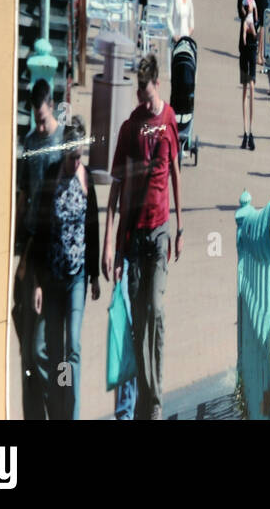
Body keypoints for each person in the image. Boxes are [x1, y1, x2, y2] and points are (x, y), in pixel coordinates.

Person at [103, 53, 183, 420]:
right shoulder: (129, 127)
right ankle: (142, 404)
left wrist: (180, 227)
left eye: (147, 93)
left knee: (156, 310)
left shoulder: (168, 121)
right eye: (139, 93)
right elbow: (116, 190)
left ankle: (154, 403)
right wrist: (111, 245)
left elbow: (176, 174)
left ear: (158, 86)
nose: (142, 99)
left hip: (160, 232)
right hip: (133, 238)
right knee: (137, 322)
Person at [26, 115, 99, 420]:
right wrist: (38, 283)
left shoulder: (86, 179)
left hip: (77, 278)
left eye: (79, 156)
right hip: (53, 278)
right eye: (71, 156)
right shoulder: (53, 177)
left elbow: (93, 227)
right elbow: (41, 233)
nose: (75, 162)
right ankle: (57, 404)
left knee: (74, 347)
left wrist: (95, 275)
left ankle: (72, 413)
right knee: (46, 350)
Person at [15, 80, 63, 420]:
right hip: (30, 251)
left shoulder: (62, 145)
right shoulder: (30, 144)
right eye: (37, 119)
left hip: (52, 255)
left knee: (42, 348)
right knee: (27, 349)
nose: (41, 125)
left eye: (44, 118)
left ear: (52, 107)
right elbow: (23, 196)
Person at [239, 0, 259, 150]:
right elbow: (243, 15)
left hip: (251, 47)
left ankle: (250, 131)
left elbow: (258, 18)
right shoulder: (244, 1)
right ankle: (245, 132)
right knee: (246, 88)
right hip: (245, 47)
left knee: (251, 87)